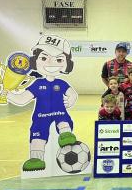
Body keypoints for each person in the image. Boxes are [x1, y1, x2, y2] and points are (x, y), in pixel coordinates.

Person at [6, 35, 78, 171]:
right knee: (37, 137)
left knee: (64, 122)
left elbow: (72, 93)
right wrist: (8, 95)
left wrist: (71, 100)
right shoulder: (37, 84)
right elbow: (23, 98)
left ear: (67, 64)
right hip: (40, 116)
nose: (51, 62)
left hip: (59, 112)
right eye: (44, 58)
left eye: (58, 59)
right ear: (35, 61)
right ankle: (37, 159)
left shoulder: (61, 83)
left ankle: (65, 134)